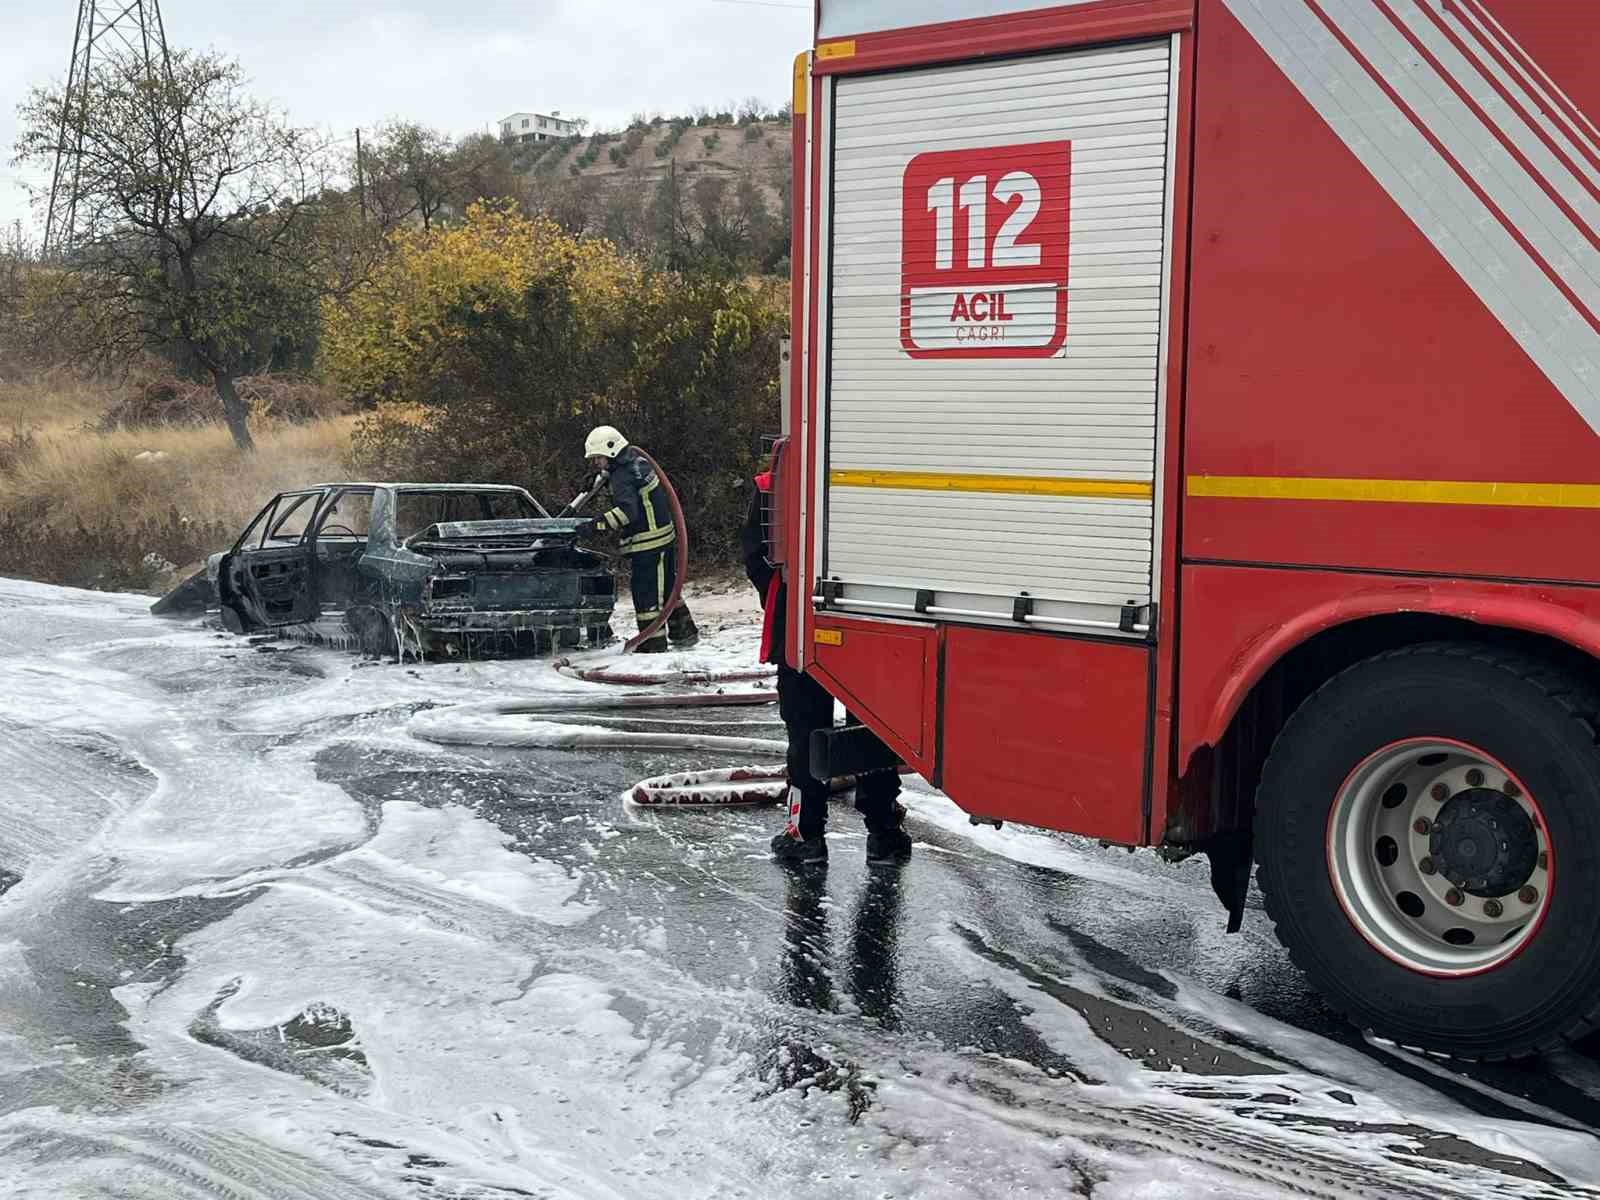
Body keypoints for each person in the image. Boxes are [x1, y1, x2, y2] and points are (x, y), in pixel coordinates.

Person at [741, 463, 912, 866]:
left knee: (805, 731)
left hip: (799, 625)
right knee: (873, 724)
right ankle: (885, 831)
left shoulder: (773, 487)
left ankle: (807, 836)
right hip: (865, 618)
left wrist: (781, 598)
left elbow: (755, 556)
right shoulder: (870, 478)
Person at [584, 425, 698, 653]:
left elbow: (628, 512)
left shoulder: (622, 476)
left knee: (646, 594)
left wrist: (596, 524)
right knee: (667, 588)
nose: (597, 463)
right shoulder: (637, 463)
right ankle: (684, 633)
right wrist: (601, 478)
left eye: (599, 458)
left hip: (648, 544)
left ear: (612, 452)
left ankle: (651, 645)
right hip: (663, 538)